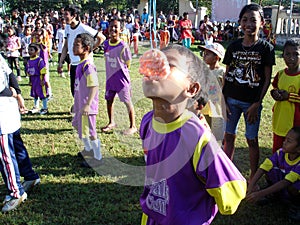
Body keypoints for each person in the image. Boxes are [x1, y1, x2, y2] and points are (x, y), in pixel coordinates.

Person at [139, 46, 246, 225]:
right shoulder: (148, 122)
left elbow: (233, 190)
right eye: (153, 62)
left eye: (168, 64)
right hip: (152, 217)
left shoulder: (196, 136)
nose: (154, 67)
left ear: (191, 88)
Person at [222, 3, 275, 182]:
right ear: (240, 23)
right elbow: (228, 73)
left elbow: (267, 79)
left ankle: (253, 176)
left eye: (253, 20)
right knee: (228, 136)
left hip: (252, 104)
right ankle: (226, 174)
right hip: (230, 101)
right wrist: (223, 99)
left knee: (251, 139)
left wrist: (257, 103)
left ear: (262, 22)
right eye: (245, 20)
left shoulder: (266, 48)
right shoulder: (234, 46)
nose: (249, 24)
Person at [246, 127, 300, 221]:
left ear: (298, 149)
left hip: (291, 186)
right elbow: (263, 168)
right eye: (285, 139)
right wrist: (251, 185)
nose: (284, 142)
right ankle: (275, 194)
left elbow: (285, 182)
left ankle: (296, 205)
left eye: (289, 141)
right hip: (284, 182)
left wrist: (260, 194)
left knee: (294, 185)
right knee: (269, 169)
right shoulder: (280, 153)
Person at [57, 5, 106, 98]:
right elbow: (66, 46)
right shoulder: (67, 28)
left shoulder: (84, 28)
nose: (64, 17)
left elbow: (102, 38)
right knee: (74, 90)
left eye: (66, 14)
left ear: (74, 15)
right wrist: (60, 62)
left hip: (84, 64)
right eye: (63, 14)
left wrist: (89, 50)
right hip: (73, 64)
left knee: (85, 89)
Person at [0, 48, 27, 212]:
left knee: (5, 155)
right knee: (15, 149)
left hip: (3, 113)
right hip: (7, 110)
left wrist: (15, 93)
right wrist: (17, 93)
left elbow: (7, 86)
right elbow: (11, 77)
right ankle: (28, 177)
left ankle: (16, 192)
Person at [102, 19, 137, 135]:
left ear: (120, 30)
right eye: (111, 26)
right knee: (109, 101)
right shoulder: (106, 44)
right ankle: (111, 122)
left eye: (116, 27)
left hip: (122, 80)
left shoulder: (123, 45)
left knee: (127, 102)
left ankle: (133, 126)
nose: (113, 29)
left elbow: (127, 62)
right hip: (110, 80)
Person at [72, 33, 102, 168]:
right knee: (78, 126)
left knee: (90, 132)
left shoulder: (88, 66)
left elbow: (94, 86)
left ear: (86, 48)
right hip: (80, 104)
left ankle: (98, 157)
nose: (73, 47)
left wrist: (88, 104)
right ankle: (88, 149)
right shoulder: (80, 64)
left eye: (76, 45)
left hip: (87, 106)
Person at [270, 38, 300, 153]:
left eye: (296, 54)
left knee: (293, 150)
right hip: (280, 119)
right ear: (283, 56)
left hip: (295, 123)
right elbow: (275, 87)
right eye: (287, 54)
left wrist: (289, 96)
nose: (291, 58)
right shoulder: (281, 73)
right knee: (277, 149)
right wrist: (274, 93)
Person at [198, 42, 226, 144]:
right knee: (206, 131)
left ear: (216, 57)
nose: (204, 55)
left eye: (208, 54)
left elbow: (226, 89)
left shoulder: (222, 72)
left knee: (217, 134)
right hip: (205, 107)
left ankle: (218, 153)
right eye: (204, 53)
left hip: (217, 108)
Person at [26, 43, 49, 115]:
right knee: (35, 94)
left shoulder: (39, 60)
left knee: (42, 94)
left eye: (31, 50)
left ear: (36, 51)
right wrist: (30, 81)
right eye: (28, 50)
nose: (29, 51)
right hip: (33, 80)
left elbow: (43, 71)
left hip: (39, 79)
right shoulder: (29, 61)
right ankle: (36, 107)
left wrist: (43, 80)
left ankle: (45, 108)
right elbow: (29, 72)